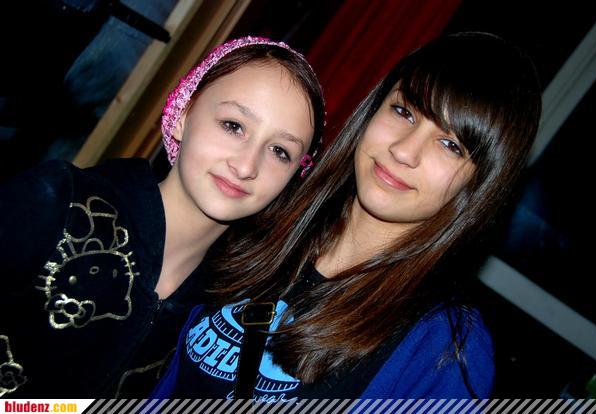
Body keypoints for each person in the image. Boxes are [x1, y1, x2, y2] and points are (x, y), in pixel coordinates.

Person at [152, 32, 542, 400]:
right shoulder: (259, 227)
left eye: (450, 145)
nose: (404, 151)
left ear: (480, 182)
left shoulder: (444, 349)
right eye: (404, 112)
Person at [0, 36, 325, 397]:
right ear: (183, 114)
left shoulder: (226, 313)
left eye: (280, 151)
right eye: (233, 125)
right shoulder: (58, 201)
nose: (246, 166)